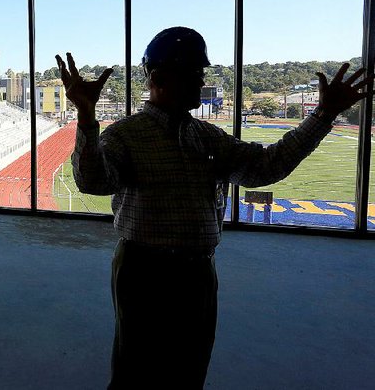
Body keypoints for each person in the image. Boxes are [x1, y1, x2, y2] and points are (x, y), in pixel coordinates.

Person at [55, 26, 372, 389]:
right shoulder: (125, 134)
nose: (201, 81)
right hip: (144, 271)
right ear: (159, 78)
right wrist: (85, 114)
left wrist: (323, 115)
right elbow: (93, 182)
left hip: (198, 271)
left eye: (201, 72)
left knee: (190, 370)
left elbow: (266, 166)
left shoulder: (207, 136)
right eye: (192, 73)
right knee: (136, 372)